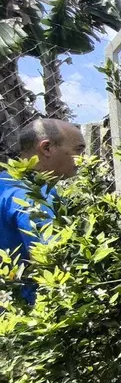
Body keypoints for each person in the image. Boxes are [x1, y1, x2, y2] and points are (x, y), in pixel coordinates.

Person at [0, 119, 85, 303]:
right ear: (47, 148)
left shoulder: (7, 183)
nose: (83, 159)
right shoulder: (29, 197)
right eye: (78, 150)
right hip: (25, 315)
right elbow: (54, 258)